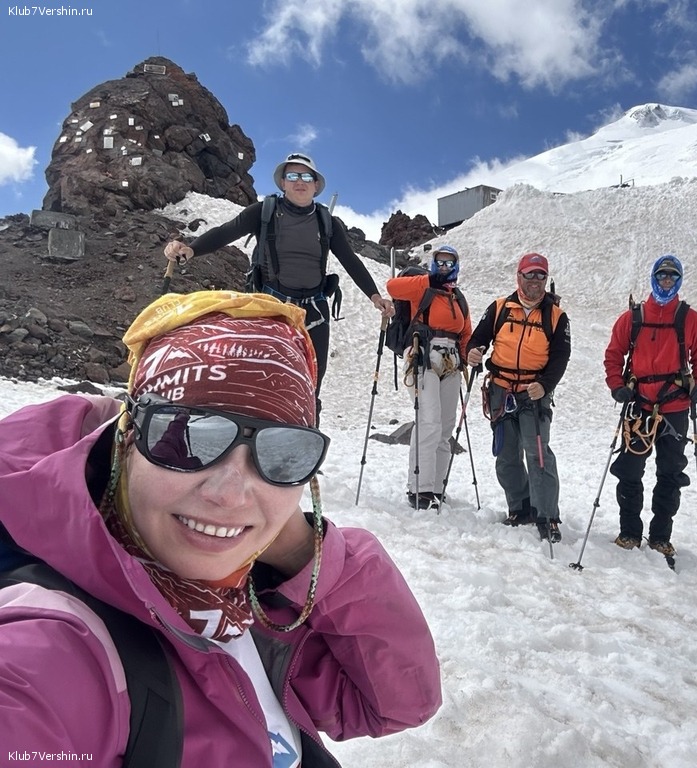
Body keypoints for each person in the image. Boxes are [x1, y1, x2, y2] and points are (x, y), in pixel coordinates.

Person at [0, 290, 442, 767]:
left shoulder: (248, 605)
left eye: (282, 453)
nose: (231, 494)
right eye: (186, 437)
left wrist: (299, 549)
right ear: (128, 439)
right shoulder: (51, 651)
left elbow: (397, 702)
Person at [163, 151, 394, 421]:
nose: (299, 181)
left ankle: (306, 439)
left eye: (306, 176)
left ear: (316, 185)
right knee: (263, 378)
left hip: (314, 313)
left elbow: (350, 260)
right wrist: (191, 249)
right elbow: (226, 232)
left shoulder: (327, 222)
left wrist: (375, 297)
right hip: (270, 308)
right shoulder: (264, 212)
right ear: (283, 183)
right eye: (292, 175)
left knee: (311, 384)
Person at [603, 255, 697, 557]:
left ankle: (660, 537)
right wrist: (616, 384)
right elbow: (614, 354)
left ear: (679, 281)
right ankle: (629, 532)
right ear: (654, 278)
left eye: (672, 277)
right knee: (630, 469)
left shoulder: (690, 319)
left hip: (675, 405)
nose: (666, 281)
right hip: (639, 403)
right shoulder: (633, 318)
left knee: (670, 472)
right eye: (662, 276)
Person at [466, 253, 571, 543]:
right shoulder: (499, 308)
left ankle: (546, 516)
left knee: (538, 453)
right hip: (500, 391)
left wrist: (545, 385)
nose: (535, 281)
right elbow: (477, 339)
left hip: (533, 395)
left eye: (541, 275)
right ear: (519, 276)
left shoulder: (556, 317)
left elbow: (560, 357)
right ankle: (520, 508)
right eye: (530, 274)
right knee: (506, 453)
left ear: (546, 279)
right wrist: (473, 351)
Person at [386, 245, 472, 510]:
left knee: (445, 427)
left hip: (452, 361)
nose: (444, 267)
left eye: (449, 263)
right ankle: (420, 489)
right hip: (423, 355)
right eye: (440, 262)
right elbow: (392, 288)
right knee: (429, 421)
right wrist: (427, 280)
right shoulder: (422, 287)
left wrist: (469, 354)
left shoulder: (458, 297)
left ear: (456, 266)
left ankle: (436, 488)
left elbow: (466, 332)